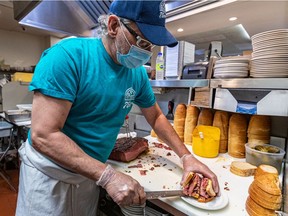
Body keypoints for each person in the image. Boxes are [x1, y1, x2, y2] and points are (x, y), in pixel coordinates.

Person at [16, 0, 220, 215]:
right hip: (50, 177)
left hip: (90, 173)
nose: (147, 52)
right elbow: (44, 135)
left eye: (151, 45)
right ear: (114, 26)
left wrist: (186, 157)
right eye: (142, 41)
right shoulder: (67, 57)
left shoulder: (137, 73)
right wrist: (109, 176)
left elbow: (157, 117)